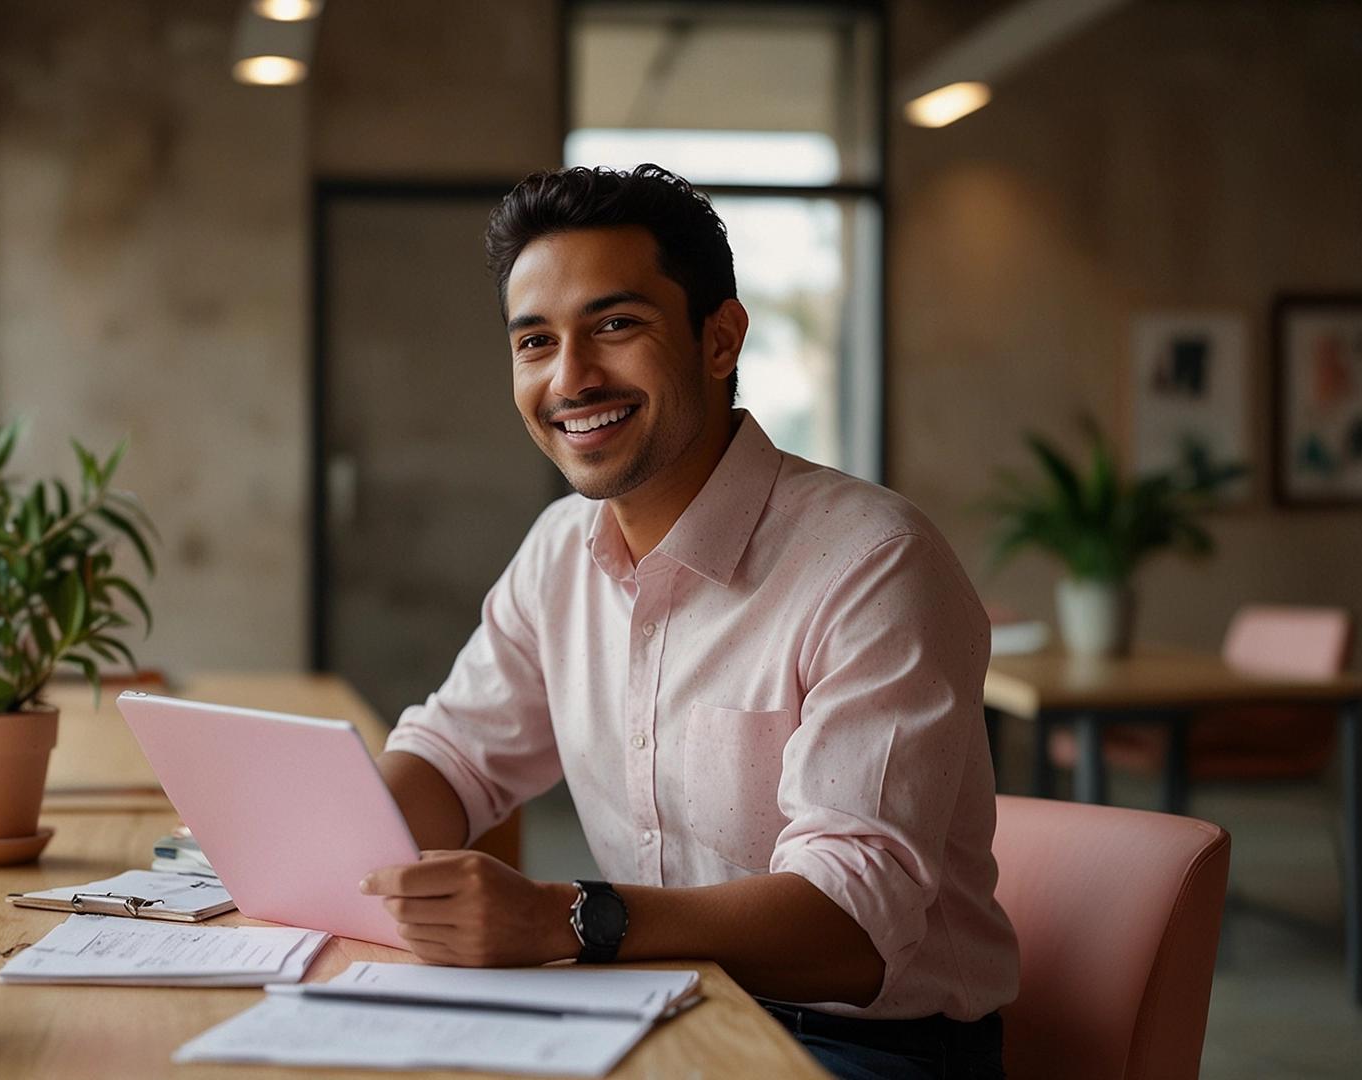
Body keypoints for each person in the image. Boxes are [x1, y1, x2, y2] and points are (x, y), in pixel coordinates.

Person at [362, 164, 1018, 1080]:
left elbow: (852, 926)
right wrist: (339, 852)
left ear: (721, 337)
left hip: (862, 1048)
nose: (571, 377)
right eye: (535, 343)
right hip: (652, 1006)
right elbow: (452, 757)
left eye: (615, 326)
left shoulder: (874, 562)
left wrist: (560, 919)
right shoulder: (561, 550)